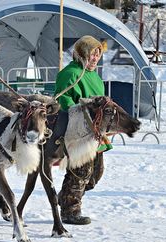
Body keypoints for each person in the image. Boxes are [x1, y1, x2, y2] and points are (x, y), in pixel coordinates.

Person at [54, 35, 112, 225]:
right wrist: (80, 113)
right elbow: (62, 98)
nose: (95, 58)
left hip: (95, 131)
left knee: (96, 174)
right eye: (92, 54)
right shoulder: (70, 73)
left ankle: (64, 197)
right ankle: (70, 211)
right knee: (81, 171)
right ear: (81, 53)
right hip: (77, 130)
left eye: (98, 54)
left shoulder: (95, 77)